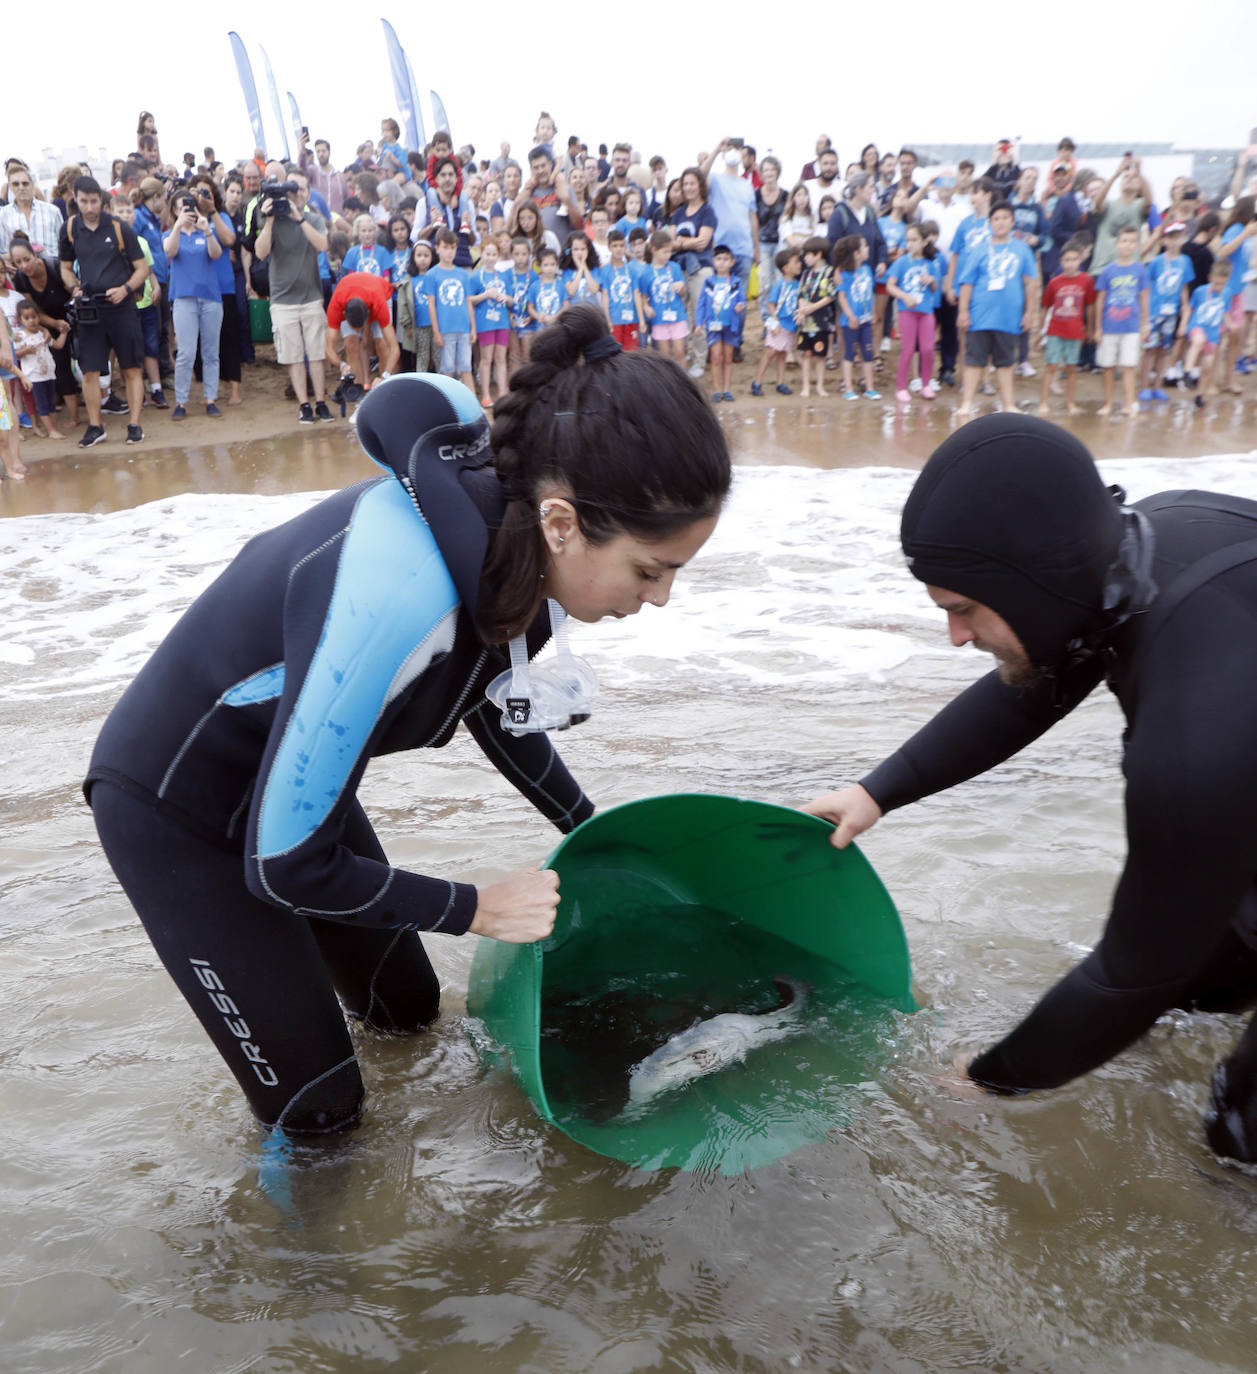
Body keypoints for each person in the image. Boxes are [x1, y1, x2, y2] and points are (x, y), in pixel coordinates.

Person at [85, 301, 732, 1139]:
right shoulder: (398, 593)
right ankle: (295, 1261)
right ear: (564, 521)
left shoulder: (520, 546)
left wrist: (594, 833)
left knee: (409, 1013)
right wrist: (476, 908)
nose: (659, 599)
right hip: (176, 809)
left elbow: (494, 707)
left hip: (289, 791)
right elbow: (284, 864)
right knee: (322, 1112)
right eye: (650, 571)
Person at [802, 412, 1257, 1167]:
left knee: (1237, 1135)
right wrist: (876, 792)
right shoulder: (1143, 545)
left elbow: (1130, 973)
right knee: (1194, 1001)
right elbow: (1037, 678)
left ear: (1035, 587)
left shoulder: (1190, 740)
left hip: (1227, 769)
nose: (953, 637)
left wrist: (991, 1080)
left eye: (962, 610)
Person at [57, 176, 150, 448]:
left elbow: (142, 268)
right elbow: (65, 266)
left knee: (131, 367)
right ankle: (96, 426)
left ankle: (134, 425)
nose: (89, 207)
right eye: (84, 201)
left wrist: (125, 288)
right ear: (75, 198)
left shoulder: (120, 227)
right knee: (90, 372)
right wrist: (73, 286)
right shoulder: (70, 228)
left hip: (121, 307)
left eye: (94, 201)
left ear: (101, 199)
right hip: (89, 309)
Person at [254, 169, 332, 425]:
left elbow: (322, 245)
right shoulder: (270, 219)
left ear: (307, 194)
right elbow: (260, 252)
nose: (294, 195)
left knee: (316, 353)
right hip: (282, 300)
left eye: (299, 190)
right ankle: (304, 405)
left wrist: (298, 218)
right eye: (291, 190)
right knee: (293, 355)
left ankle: (321, 402)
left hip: (310, 296)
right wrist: (269, 221)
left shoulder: (313, 218)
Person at [955, 201, 1037, 420]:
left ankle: (1008, 403)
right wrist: (963, 311)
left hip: (1009, 318)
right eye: (996, 219)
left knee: (1006, 362)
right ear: (990, 223)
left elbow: (1030, 282)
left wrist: (1029, 312)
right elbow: (967, 283)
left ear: (1012, 222)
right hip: (980, 315)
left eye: (1004, 218)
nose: (1000, 223)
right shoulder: (979, 250)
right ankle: (967, 403)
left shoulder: (1022, 249)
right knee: (974, 361)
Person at [163, 186, 224, 420]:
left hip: (210, 298)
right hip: (184, 299)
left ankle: (210, 398)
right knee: (186, 353)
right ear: (175, 211)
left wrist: (207, 230)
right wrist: (178, 225)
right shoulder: (171, 233)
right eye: (182, 207)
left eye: (190, 206)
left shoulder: (204, 230)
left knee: (210, 352)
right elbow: (170, 250)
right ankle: (181, 401)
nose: (188, 211)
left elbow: (216, 254)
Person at [9, 233, 80, 428]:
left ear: (35, 255)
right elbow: (34, 311)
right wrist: (53, 325)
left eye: (26, 259)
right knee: (61, 368)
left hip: (75, 316)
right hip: (50, 322)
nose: (24, 265)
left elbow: (75, 291)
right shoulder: (22, 280)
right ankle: (73, 417)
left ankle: (96, 406)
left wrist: (69, 320)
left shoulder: (54, 266)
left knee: (86, 362)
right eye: (18, 262)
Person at [1093, 226, 1150, 418]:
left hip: (1131, 326)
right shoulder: (1108, 270)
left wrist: (1145, 324)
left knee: (1129, 366)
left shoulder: (1140, 269)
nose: (1128, 245)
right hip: (1109, 326)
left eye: (1132, 241)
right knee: (1108, 366)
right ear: (1117, 244)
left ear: (1136, 245)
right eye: (1124, 240)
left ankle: (1128, 403)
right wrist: (1098, 327)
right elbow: (1100, 300)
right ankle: (1108, 403)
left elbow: (1143, 298)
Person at [1037, 236, 1096, 416]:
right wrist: (1040, 331)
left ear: (1080, 260)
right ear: (1061, 261)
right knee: (1051, 366)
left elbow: (1090, 306)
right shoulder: (1055, 282)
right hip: (1055, 329)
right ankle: (1043, 402)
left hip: (1076, 331)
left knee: (1071, 368)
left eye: (1074, 260)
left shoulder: (1086, 281)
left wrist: (1090, 328)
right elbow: (1045, 307)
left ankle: (1071, 402)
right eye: (1066, 260)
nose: (1070, 264)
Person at [668, 168, 717, 377]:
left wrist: (680, 243)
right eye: (684, 184)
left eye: (691, 183)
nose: (688, 188)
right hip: (678, 269)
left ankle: (699, 361)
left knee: (699, 316)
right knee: (676, 314)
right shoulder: (678, 213)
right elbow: (670, 243)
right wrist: (687, 243)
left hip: (701, 269)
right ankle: (677, 360)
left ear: (700, 186)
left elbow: (703, 242)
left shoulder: (707, 212)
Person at [886, 224, 941, 402]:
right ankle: (900, 387)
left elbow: (934, 288)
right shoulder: (901, 262)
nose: (910, 244)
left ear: (924, 241)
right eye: (908, 240)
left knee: (927, 349)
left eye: (914, 240)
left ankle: (926, 385)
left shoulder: (930, 263)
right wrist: (904, 296)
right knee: (908, 349)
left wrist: (931, 280)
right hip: (907, 312)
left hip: (926, 311)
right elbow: (890, 286)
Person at [1139, 223, 1192, 404]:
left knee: (1162, 351)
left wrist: (1185, 308)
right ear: (1164, 239)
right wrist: (1145, 316)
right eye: (1170, 237)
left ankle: (1158, 386)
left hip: (1172, 313)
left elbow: (1185, 287)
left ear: (1183, 238)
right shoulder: (1156, 261)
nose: (1174, 241)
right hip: (1155, 312)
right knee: (1149, 350)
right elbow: (1147, 286)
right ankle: (1145, 386)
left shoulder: (1185, 261)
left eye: (1178, 237)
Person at [425, 228, 476, 390]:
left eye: (453, 248)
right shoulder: (432, 275)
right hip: (445, 330)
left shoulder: (462, 274)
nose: (449, 252)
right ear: (437, 248)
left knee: (466, 368)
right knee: (448, 370)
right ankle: (449, 408)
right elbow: (431, 305)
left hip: (464, 329)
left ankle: (473, 407)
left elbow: (468, 302)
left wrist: (473, 328)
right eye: (445, 247)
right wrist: (436, 332)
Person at [694, 244, 745, 402]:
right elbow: (701, 303)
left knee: (728, 358)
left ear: (732, 262)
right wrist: (698, 323)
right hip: (713, 325)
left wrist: (740, 306)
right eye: (719, 259)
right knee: (716, 357)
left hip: (730, 325)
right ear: (713, 261)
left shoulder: (736, 282)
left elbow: (742, 301)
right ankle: (717, 390)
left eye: (725, 259)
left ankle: (727, 389)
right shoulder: (709, 282)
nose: (722, 262)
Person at [1179, 259, 1234, 405]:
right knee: (1198, 341)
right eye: (1216, 283)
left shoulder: (1227, 294)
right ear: (1210, 278)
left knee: (1208, 366)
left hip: (1213, 333)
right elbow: (1189, 308)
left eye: (1222, 284)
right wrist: (1184, 324)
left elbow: (1225, 312)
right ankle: (1187, 372)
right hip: (1197, 326)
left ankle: (1199, 395)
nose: (1218, 287)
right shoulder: (1200, 291)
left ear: (1227, 280)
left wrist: (1230, 325)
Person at [832, 235, 878, 402]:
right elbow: (842, 297)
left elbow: (870, 294)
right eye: (865, 246)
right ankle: (848, 388)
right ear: (856, 253)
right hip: (850, 322)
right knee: (849, 354)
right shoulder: (844, 274)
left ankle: (870, 387)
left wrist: (873, 313)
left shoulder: (866, 270)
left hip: (866, 320)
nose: (868, 249)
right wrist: (850, 315)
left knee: (868, 353)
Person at [12, 297, 65, 439]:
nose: (31, 321)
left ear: (38, 317)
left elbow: (58, 345)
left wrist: (64, 333)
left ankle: (53, 429)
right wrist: (26, 351)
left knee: (51, 403)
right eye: (27, 318)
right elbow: (15, 355)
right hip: (34, 376)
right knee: (42, 405)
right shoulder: (20, 337)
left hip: (49, 374)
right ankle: (51, 430)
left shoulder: (43, 335)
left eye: (34, 317)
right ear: (20, 320)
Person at [750, 247, 800, 397]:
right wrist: (776, 322)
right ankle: (757, 381)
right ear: (785, 268)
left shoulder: (798, 284)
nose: (799, 264)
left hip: (790, 325)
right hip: (780, 324)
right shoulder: (779, 284)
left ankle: (780, 382)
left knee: (783, 355)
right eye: (796, 262)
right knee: (770, 352)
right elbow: (771, 304)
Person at [635, 230, 688, 365]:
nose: (668, 255)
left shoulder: (674, 267)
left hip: (677, 315)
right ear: (654, 250)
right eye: (665, 252)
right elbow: (643, 296)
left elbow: (683, 293)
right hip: (659, 318)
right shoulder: (645, 273)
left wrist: (681, 287)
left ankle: (682, 383)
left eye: (670, 251)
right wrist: (646, 307)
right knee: (665, 357)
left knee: (680, 352)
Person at [795, 235, 837, 399]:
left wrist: (812, 307)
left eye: (808, 255)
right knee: (806, 354)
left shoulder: (829, 272)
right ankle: (806, 386)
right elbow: (801, 293)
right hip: (806, 321)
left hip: (822, 320)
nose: (805, 258)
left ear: (819, 254)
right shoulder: (806, 274)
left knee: (820, 355)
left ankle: (820, 385)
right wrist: (801, 309)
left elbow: (830, 296)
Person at [469, 236, 510, 405]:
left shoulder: (504, 276)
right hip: (485, 323)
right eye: (488, 253)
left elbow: (512, 299)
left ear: (498, 255)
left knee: (501, 358)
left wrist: (504, 297)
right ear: (482, 254)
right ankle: (486, 394)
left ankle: (502, 392)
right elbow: (469, 299)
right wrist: (486, 295)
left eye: (494, 254)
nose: (491, 257)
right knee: (486, 359)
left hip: (502, 322)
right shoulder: (475, 276)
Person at [0, 163, 64, 266]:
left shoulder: (52, 211)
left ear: (32, 184)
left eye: (25, 183)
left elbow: (64, 246)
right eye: (16, 184)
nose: (21, 187)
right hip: (19, 274)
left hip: (53, 271)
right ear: (10, 187)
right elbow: (2, 252)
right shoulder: (3, 215)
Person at [598, 230, 642, 351]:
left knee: (632, 354)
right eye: (615, 246)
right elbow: (605, 296)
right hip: (614, 320)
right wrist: (607, 320)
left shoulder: (631, 270)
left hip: (631, 319)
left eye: (621, 245)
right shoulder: (605, 270)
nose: (618, 249)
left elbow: (636, 294)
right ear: (609, 247)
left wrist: (641, 319)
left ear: (625, 247)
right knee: (615, 355)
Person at [754, 156, 786, 317]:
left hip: (781, 243)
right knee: (764, 283)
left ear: (777, 171)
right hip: (763, 243)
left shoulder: (786, 195)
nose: (769, 173)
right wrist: (755, 247)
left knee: (781, 281)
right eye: (765, 169)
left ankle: (780, 315)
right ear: (761, 173)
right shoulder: (756, 195)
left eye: (772, 169)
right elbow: (752, 221)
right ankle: (766, 318)